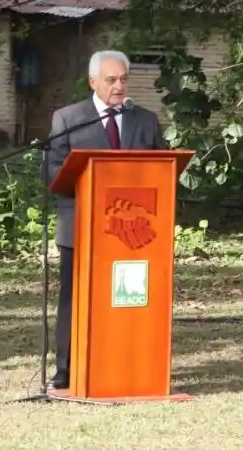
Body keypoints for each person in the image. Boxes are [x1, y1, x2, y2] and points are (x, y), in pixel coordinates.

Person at [46, 50, 166, 390]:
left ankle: (129, 361)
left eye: (123, 79)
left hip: (134, 231)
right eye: (111, 80)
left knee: (127, 295)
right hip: (81, 224)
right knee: (74, 297)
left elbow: (162, 168)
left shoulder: (145, 120)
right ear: (93, 82)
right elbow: (53, 173)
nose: (118, 86)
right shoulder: (68, 118)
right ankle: (66, 369)